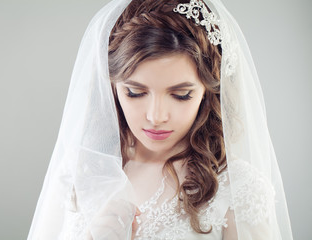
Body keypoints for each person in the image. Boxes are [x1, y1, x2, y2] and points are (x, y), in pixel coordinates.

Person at [27, 0, 293, 239]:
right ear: (112, 87)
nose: (156, 117)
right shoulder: (79, 170)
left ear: (208, 92)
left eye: (181, 95)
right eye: (135, 92)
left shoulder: (237, 189)